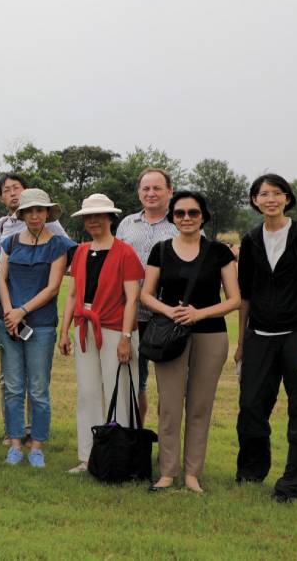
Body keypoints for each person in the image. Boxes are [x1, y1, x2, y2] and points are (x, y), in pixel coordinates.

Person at [140, 191, 239, 493]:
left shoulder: (219, 252)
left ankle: (193, 473)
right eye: (180, 213)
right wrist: (169, 310)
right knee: (169, 405)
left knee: (199, 406)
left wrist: (198, 314)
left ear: (203, 217)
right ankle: (168, 472)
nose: (186, 218)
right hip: (169, 335)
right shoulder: (160, 250)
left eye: (193, 213)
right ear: (173, 217)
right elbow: (146, 294)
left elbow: (234, 299)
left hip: (210, 335)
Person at [235, 174, 297, 503]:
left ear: (287, 198)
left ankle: (293, 484)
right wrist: (241, 342)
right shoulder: (251, 239)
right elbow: (245, 297)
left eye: (276, 193)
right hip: (259, 335)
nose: (270, 199)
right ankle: (251, 471)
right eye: (263, 194)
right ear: (255, 200)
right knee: (251, 406)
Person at [58, 193, 144, 475]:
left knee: (118, 392)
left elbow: (132, 298)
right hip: (86, 328)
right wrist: (64, 330)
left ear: (110, 218)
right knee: (88, 393)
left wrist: (125, 337)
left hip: (115, 329)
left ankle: (121, 457)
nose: (93, 221)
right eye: (88, 217)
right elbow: (72, 294)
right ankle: (89, 456)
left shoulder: (125, 252)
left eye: (99, 216)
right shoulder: (81, 251)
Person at [0, 189, 74, 468]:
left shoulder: (59, 244)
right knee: (14, 387)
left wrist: (22, 311)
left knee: (38, 389)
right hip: (9, 324)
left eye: (40, 210)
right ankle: (15, 444)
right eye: (30, 211)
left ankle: (37, 445)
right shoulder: (10, 242)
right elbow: (1, 279)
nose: (35, 215)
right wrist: (8, 312)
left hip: (40, 326)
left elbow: (53, 287)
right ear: (23, 214)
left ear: (48, 213)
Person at [116, 168, 177, 424]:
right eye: (146, 189)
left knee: (170, 386)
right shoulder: (127, 224)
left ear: (169, 192)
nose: (151, 193)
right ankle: (135, 437)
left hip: (168, 317)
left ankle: (168, 446)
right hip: (131, 316)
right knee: (135, 381)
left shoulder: (181, 222)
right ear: (139, 193)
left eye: (157, 188)